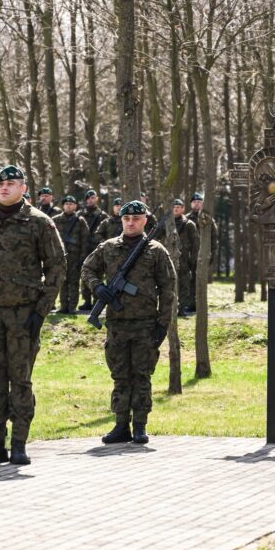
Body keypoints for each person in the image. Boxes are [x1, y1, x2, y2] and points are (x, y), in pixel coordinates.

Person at [0, 165, 66, 466]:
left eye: (11, 183)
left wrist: (41, 311)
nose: (5, 187)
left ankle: (19, 443)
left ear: (23, 188)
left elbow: (57, 267)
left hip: (23, 315)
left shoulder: (40, 223)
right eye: (0, 184)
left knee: (20, 380)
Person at [82, 200, 177, 445]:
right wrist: (98, 287)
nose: (131, 223)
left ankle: (140, 426)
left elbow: (168, 289)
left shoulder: (156, 250)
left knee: (142, 375)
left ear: (145, 220)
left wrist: (162, 324)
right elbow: (87, 269)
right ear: (121, 220)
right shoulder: (108, 247)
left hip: (146, 324)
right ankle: (121, 425)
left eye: (136, 219)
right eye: (126, 219)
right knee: (120, 376)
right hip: (117, 324)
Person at [52, 195, 89, 313]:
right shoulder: (56, 220)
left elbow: (85, 239)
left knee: (73, 282)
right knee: (62, 281)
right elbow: (51, 238)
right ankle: (63, 306)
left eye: (71, 204)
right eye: (66, 204)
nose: (68, 206)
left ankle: (72, 307)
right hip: (60, 256)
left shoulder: (80, 220)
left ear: (75, 206)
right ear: (63, 206)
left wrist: (83, 257)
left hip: (75, 257)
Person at [78, 189, 108, 311]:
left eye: (93, 197)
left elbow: (106, 232)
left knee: (98, 275)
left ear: (97, 199)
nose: (91, 200)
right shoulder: (80, 215)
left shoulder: (103, 216)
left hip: (97, 249)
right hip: (84, 248)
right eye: (88, 198)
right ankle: (87, 301)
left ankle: (97, 301)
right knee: (85, 275)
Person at [169, 199, 198, 316]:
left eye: (178, 207)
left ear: (183, 209)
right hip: (168, 259)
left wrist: (194, 260)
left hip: (184, 261)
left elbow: (196, 244)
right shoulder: (167, 223)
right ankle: (169, 309)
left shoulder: (189, 224)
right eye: (174, 207)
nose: (176, 209)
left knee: (184, 286)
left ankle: (181, 310)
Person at [187, 191, 218, 287]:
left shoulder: (208, 219)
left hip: (203, 256)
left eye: (199, 201)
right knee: (188, 283)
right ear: (191, 204)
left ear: (202, 204)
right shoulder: (186, 219)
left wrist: (211, 255)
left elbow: (214, 238)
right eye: (194, 202)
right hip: (188, 257)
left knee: (201, 283)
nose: (196, 203)